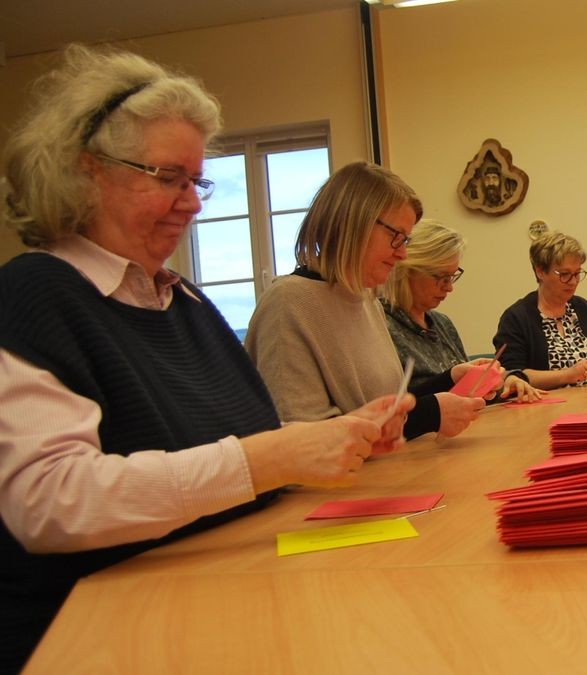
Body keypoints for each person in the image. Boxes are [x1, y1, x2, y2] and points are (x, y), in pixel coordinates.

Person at [0, 45, 412, 672]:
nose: (192, 203)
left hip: (225, 600)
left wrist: (332, 439)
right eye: (167, 177)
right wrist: (273, 456)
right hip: (106, 639)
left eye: (196, 181)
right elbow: (49, 502)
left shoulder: (184, 302)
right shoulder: (33, 295)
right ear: (86, 171)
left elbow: (252, 445)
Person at [245, 162, 487, 440]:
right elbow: (301, 441)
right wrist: (430, 413)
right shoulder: (288, 304)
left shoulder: (366, 299)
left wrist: (448, 380)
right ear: (351, 224)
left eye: (405, 240)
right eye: (396, 237)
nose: (403, 255)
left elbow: (385, 406)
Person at [381, 219, 543, 401]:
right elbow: (394, 407)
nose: (449, 288)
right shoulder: (382, 325)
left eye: (452, 277)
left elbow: (468, 391)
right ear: (408, 269)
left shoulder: (442, 324)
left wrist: (506, 382)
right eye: (442, 277)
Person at [494, 231, 587, 388]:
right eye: (565, 274)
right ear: (540, 272)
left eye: (577, 273)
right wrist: (567, 375)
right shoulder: (516, 318)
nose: (573, 282)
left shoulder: (584, 309)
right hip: (546, 408)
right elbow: (511, 375)